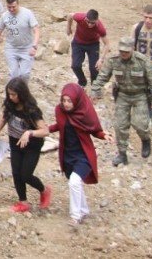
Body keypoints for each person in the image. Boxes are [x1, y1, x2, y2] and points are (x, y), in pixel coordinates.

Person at [47, 84, 113, 227]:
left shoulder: (84, 112)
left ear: (76, 100)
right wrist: (45, 130)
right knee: (74, 182)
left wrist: (103, 135)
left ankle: (75, 216)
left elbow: (93, 129)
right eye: (64, 100)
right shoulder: (60, 111)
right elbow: (59, 125)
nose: (66, 104)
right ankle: (83, 210)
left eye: (69, 101)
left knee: (74, 182)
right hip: (68, 155)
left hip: (83, 155)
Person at [89, 37, 152, 166]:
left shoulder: (142, 61)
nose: (124, 54)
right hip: (122, 95)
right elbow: (103, 76)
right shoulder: (113, 60)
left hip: (140, 95)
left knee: (140, 123)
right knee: (120, 125)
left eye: (127, 52)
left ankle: (145, 139)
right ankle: (122, 154)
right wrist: (95, 90)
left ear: (133, 49)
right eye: (122, 51)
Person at [0, 78, 50, 213]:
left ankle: (44, 190)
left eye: (14, 95)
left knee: (26, 174)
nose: (11, 97)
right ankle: (23, 201)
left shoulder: (31, 110)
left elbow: (45, 131)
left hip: (32, 145)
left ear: (21, 94)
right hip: (15, 141)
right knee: (16, 172)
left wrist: (29, 133)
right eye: (9, 94)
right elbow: (4, 117)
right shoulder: (10, 104)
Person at [0, 0, 41, 80]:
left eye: (13, 7)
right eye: (9, 7)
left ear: (18, 4)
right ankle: (13, 92)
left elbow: (36, 30)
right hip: (11, 48)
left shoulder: (27, 13)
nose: (11, 9)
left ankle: (23, 92)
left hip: (26, 48)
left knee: (24, 74)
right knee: (13, 74)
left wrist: (34, 46)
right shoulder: (5, 16)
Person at [67, 9, 108, 87]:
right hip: (78, 43)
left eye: (92, 23)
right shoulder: (80, 17)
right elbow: (70, 15)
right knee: (75, 66)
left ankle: (95, 86)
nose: (89, 24)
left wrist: (101, 59)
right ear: (85, 18)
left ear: (96, 21)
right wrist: (68, 27)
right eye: (88, 21)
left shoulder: (100, 27)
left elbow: (107, 44)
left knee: (94, 69)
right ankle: (82, 82)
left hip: (93, 45)